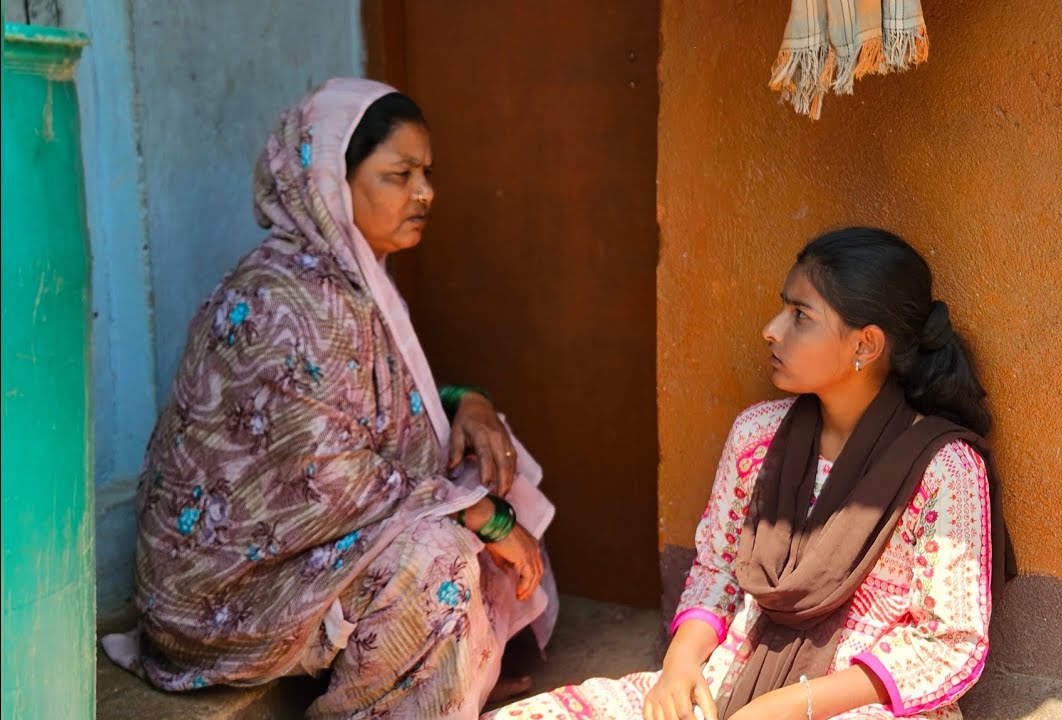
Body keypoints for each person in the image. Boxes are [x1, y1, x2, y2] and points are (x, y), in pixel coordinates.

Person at [101, 78, 557, 720]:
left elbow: (388, 407)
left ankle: (453, 678)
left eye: (426, 173)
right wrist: (489, 520)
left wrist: (469, 402)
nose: (425, 193)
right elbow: (334, 478)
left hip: (299, 546)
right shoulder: (287, 297)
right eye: (398, 174)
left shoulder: (350, 278)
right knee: (437, 558)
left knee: (485, 462)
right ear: (331, 184)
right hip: (225, 593)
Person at [487, 227, 1014, 720]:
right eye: (783, 309)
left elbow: (950, 642)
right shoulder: (757, 437)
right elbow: (717, 567)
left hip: (864, 705)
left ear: (865, 345)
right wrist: (680, 665)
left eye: (800, 316)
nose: (772, 329)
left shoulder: (943, 468)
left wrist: (792, 706)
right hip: (736, 676)